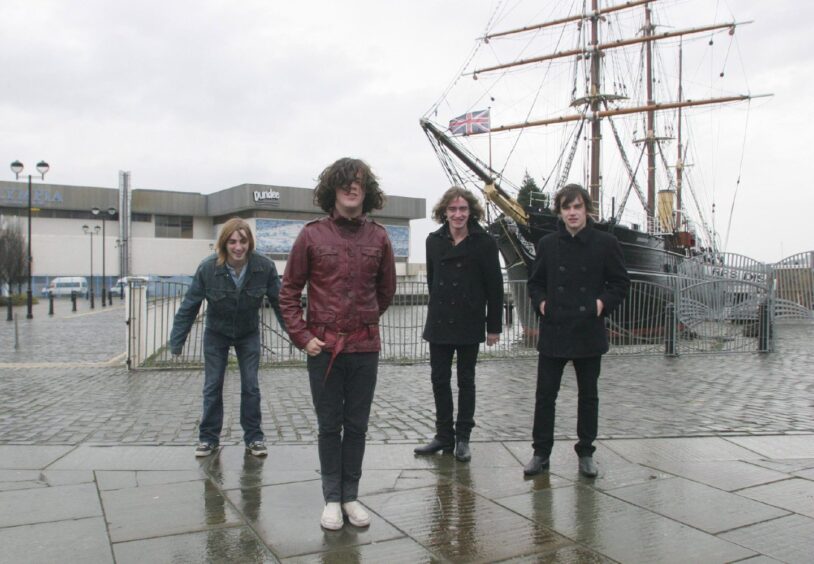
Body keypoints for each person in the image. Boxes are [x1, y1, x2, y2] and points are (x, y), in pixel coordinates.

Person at [279, 157, 396, 531]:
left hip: (365, 348)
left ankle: (350, 496)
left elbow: (386, 290)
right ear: (333, 188)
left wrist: (363, 322)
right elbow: (288, 292)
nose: (351, 187)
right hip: (323, 349)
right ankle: (331, 497)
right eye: (345, 181)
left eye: (358, 181)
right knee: (330, 426)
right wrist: (304, 337)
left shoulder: (379, 237)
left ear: (367, 190)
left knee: (357, 426)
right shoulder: (311, 235)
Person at [524, 184, 629, 478]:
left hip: (587, 328)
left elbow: (620, 282)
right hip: (555, 327)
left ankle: (586, 452)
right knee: (545, 395)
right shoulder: (547, 244)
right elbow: (535, 282)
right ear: (560, 211)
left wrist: (599, 305)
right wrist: (542, 303)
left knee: (588, 396)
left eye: (577, 207)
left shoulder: (605, 243)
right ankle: (540, 453)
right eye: (567, 207)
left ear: (586, 210)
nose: (572, 213)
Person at [169, 218, 284, 458]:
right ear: (224, 244)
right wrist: (177, 340)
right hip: (216, 333)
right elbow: (190, 306)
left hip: (248, 333)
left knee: (251, 385)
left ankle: (254, 438)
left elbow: (281, 305)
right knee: (213, 386)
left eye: (243, 241)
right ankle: (208, 439)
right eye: (232, 242)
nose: (238, 247)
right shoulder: (208, 268)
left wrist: (298, 336)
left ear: (250, 242)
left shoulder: (264, 267)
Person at [414, 186, 503, 462]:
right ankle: (443, 435)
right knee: (439, 380)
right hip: (440, 321)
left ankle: (463, 437)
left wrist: (494, 327)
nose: (457, 214)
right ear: (444, 212)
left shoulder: (485, 242)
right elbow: (432, 279)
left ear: (471, 211)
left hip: (469, 320)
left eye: (463, 209)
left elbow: (495, 287)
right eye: (452, 209)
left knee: (466, 381)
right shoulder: (433, 241)